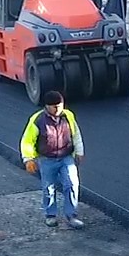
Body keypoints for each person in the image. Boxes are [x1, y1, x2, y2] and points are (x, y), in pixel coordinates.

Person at [20, 90, 85, 229]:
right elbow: (27, 141)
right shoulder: (37, 120)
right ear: (47, 106)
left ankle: (71, 215)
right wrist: (28, 159)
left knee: (72, 184)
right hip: (47, 159)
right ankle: (50, 215)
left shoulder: (68, 116)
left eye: (60, 106)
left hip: (66, 157)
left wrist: (79, 151)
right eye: (54, 106)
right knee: (49, 188)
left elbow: (76, 134)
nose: (58, 109)